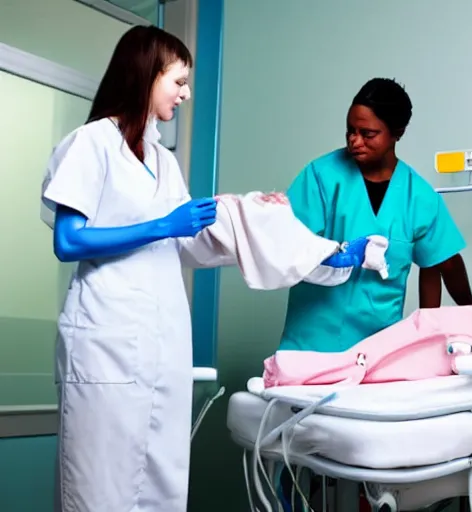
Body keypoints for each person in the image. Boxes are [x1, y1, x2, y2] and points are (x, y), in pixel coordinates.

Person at [41, 26, 363, 512]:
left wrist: (255, 209)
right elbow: (68, 241)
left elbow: (191, 239)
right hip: (106, 343)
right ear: (148, 76)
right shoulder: (93, 143)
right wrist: (161, 224)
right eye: (179, 81)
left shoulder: (162, 162)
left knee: (161, 482)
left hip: (161, 344)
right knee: (100, 485)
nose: (186, 93)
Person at [280, 77, 472, 354]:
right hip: (312, 342)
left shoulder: (417, 196)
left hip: (379, 349)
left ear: (397, 132)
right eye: (350, 130)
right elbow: (285, 241)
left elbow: (443, 263)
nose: (354, 141)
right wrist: (330, 256)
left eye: (367, 134)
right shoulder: (321, 176)